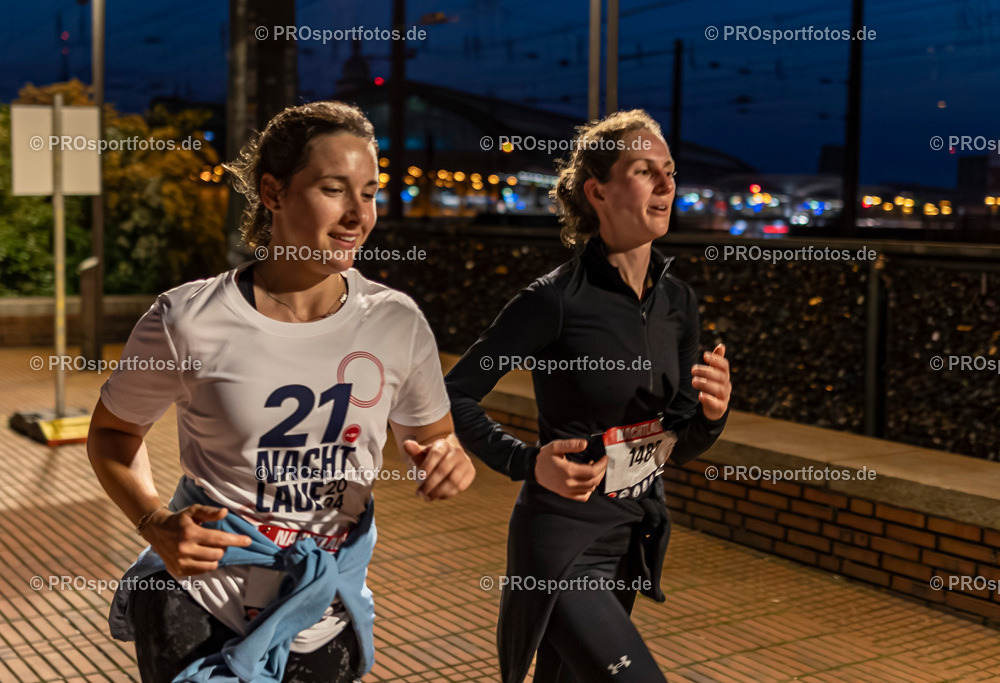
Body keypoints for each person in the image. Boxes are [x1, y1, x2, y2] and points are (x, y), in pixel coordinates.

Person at [87, 100, 476, 683]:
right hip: (198, 600)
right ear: (272, 192)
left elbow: (435, 437)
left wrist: (447, 457)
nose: (357, 215)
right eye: (333, 189)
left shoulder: (396, 322)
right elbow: (113, 434)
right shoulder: (187, 319)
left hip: (324, 606)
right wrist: (154, 523)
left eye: (369, 193)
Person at [445, 109, 732, 682]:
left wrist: (711, 414)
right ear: (597, 192)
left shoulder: (678, 303)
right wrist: (526, 462)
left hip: (630, 538)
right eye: (645, 171)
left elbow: (676, 437)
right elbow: (451, 395)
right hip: (562, 544)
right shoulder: (553, 301)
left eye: (670, 171)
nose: (667, 184)